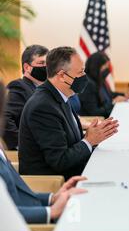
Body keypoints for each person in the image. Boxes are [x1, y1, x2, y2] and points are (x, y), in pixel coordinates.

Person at [18, 47, 120, 180]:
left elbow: (71, 141)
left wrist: (95, 136)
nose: (85, 77)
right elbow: (59, 161)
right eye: (81, 72)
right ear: (61, 76)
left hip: (73, 171)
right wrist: (89, 141)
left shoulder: (61, 96)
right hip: (56, 183)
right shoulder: (43, 106)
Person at [0, 80, 87, 224]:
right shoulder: (42, 104)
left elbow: (16, 196)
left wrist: (53, 198)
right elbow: (5, 216)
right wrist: (51, 212)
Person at [4, 45, 48, 150]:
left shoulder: (44, 89)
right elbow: (5, 118)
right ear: (27, 67)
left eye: (48, 64)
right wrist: (24, 144)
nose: (46, 67)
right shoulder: (19, 87)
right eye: (41, 63)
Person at [78, 52, 129, 118]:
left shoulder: (98, 79)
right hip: (95, 121)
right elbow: (94, 112)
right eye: (105, 67)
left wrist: (123, 95)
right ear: (96, 66)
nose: (107, 69)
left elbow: (109, 94)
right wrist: (113, 102)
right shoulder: (87, 84)